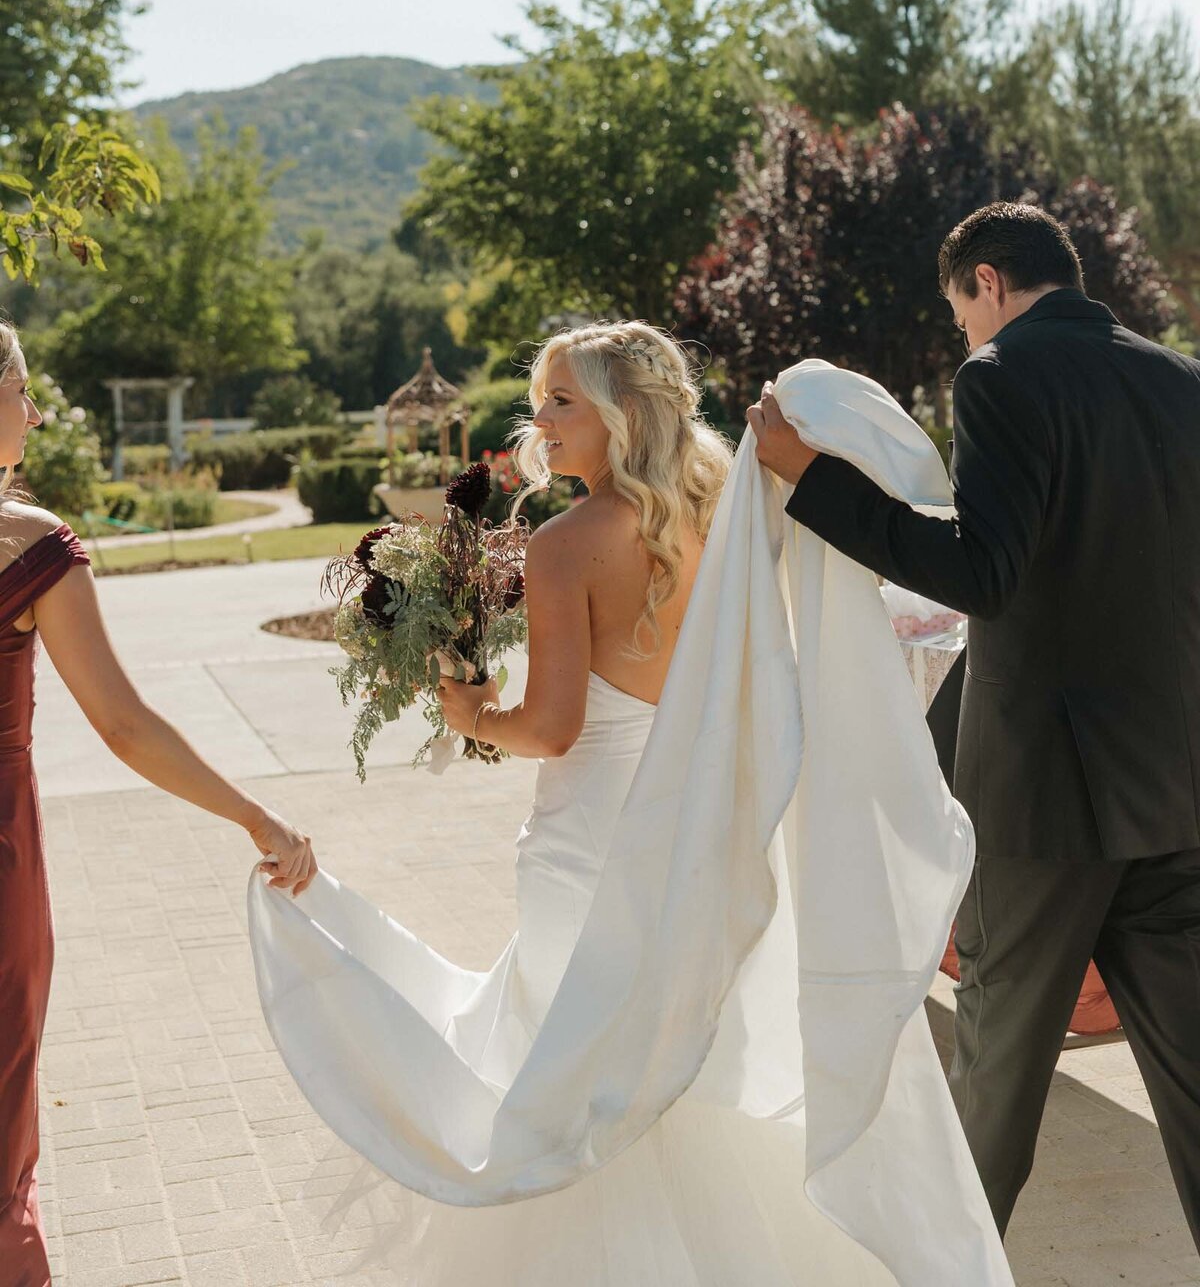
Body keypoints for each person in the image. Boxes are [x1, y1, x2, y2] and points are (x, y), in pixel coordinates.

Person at [250, 321, 1012, 1285]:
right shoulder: (730, 510)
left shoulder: (568, 545)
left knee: (588, 1072)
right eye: (540, 401)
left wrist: (470, 709)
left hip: (590, 840)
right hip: (704, 825)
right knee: (689, 1058)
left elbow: (555, 726)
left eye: (562, 401)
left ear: (622, 414)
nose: (540, 421)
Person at [748, 201, 1200, 1246]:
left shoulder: (1000, 379)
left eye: (961, 312)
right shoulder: (1181, 380)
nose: (965, 335)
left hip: (1048, 804)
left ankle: (947, 1270)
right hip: (1177, 784)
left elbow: (984, 572)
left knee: (996, 1081)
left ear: (986, 281)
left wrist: (809, 479)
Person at [0, 320, 317, 1287]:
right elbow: (125, 725)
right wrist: (258, 818)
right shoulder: (27, 543)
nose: (37, 409)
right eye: (22, 390)